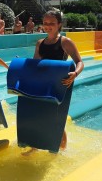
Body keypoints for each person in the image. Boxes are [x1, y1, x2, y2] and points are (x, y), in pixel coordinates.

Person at [33, 10, 84, 150]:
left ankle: (62, 150)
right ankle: (36, 146)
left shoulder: (65, 42)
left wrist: (75, 73)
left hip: (59, 85)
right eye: (45, 23)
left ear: (59, 25)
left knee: (57, 120)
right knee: (40, 116)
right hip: (43, 85)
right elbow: (35, 64)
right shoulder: (40, 43)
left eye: (51, 23)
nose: (47, 26)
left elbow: (79, 62)